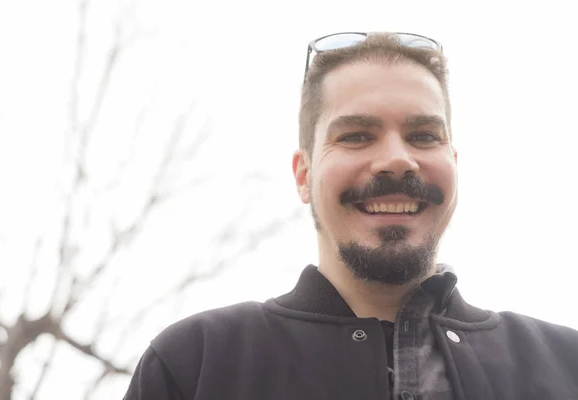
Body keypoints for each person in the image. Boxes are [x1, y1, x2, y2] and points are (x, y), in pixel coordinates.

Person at [123, 32, 578, 400]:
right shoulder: (195, 364)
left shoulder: (565, 364)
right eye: (358, 136)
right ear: (304, 175)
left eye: (423, 135)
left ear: (454, 163)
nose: (398, 160)